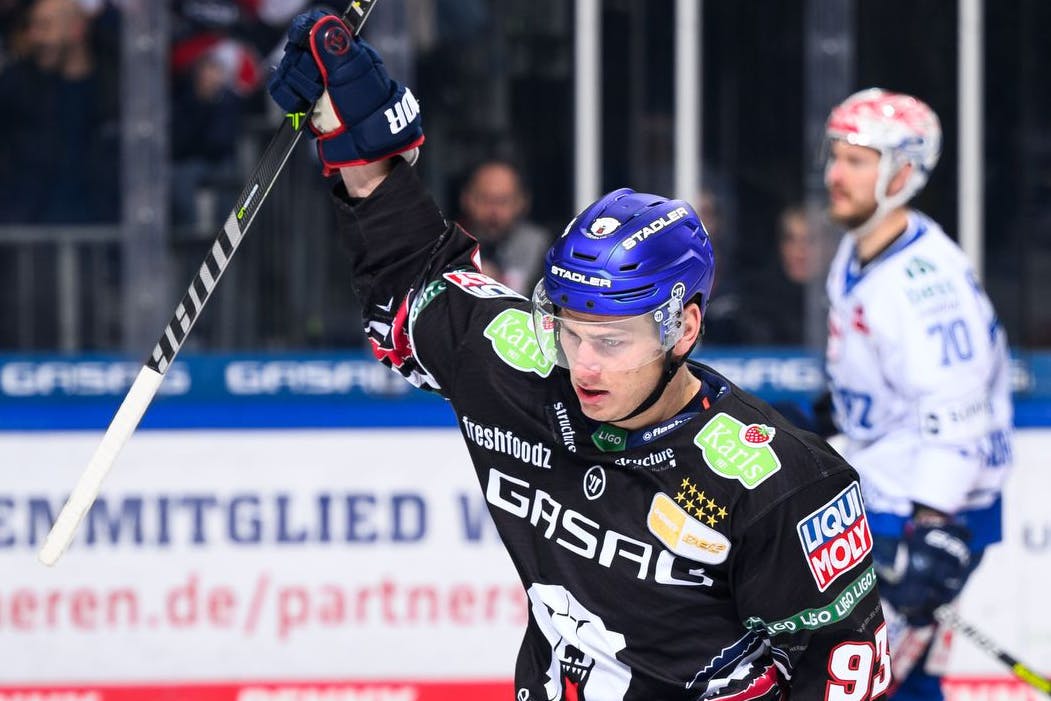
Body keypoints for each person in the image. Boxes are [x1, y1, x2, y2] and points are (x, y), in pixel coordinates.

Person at [268, 11, 889, 698]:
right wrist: (351, 130)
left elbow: (842, 674)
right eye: (569, 329)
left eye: (612, 340)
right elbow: (418, 277)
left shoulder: (780, 485)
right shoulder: (526, 370)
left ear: (681, 328)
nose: (583, 364)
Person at [822, 88, 1013, 698]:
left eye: (857, 161)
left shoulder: (925, 289)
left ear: (902, 172)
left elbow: (959, 419)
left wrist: (932, 530)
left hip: (922, 515)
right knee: (881, 677)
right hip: (885, 491)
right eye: (835, 156)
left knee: (868, 680)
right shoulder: (859, 254)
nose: (835, 174)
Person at [458, 159, 550, 295]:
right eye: (485, 199)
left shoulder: (541, 246)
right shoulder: (452, 245)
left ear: (522, 202)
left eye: (503, 201)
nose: (493, 212)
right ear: (466, 199)